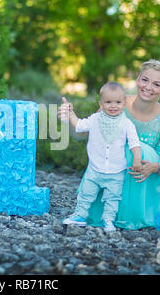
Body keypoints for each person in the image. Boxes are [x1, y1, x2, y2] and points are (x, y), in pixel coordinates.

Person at [59, 59, 160, 230]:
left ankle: (129, 215)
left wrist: (154, 167)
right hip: (110, 170)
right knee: (119, 148)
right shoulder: (116, 102)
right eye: (145, 80)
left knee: (139, 151)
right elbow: (86, 130)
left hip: (143, 179)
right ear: (137, 79)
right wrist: (69, 116)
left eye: (156, 84)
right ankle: (99, 214)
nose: (148, 87)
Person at [61, 81, 142, 232]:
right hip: (95, 169)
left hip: (116, 171)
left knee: (113, 198)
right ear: (101, 103)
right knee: (86, 193)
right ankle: (80, 215)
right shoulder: (94, 119)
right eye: (108, 102)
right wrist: (70, 112)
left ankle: (108, 220)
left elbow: (134, 144)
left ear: (124, 104)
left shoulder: (127, 124)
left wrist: (137, 160)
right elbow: (78, 126)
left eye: (118, 102)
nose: (113, 106)